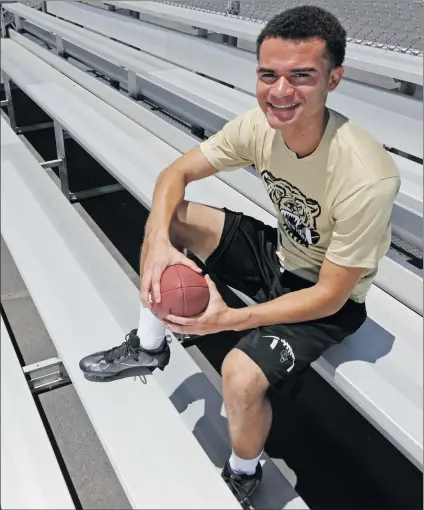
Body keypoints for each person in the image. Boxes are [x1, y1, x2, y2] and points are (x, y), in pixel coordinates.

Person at [79, 4, 400, 505]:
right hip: (279, 252)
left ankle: (244, 472)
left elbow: (332, 294)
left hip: (325, 297)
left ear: (333, 79)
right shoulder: (260, 126)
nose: (280, 91)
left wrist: (228, 319)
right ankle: (149, 345)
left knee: (239, 375)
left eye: (302, 76)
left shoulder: (365, 174)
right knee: (171, 216)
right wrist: (161, 244)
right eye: (268, 74)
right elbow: (173, 176)